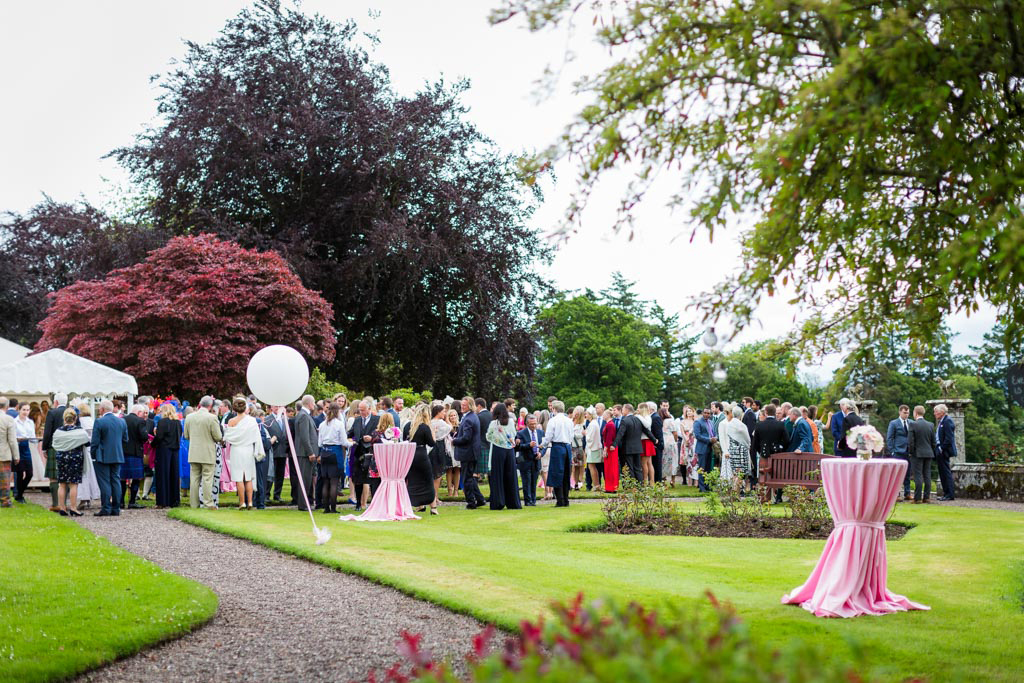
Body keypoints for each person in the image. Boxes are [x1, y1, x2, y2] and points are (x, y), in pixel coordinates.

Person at [223, 398, 264, 510]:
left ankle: (242, 503)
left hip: (237, 450)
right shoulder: (252, 421)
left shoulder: (231, 422)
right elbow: (257, 437)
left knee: (239, 478)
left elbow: (228, 437)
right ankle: (250, 502)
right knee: (249, 477)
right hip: (248, 450)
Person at [185, 396, 223, 509]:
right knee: (207, 478)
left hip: (194, 452)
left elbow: (186, 435)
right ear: (210, 406)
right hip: (207, 452)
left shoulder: (189, 417)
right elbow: (218, 436)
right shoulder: (212, 418)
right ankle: (208, 503)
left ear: (200, 404)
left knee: (194, 479)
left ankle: (194, 504)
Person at [91, 399, 128, 516]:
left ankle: (106, 507)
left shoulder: (99, 422)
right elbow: (125, 439)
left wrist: (93, 455)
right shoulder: (122, 422)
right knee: (115, 480)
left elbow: (95, 441)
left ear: (102, 409)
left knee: (105, 482)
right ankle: (116, 508)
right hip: (117, 454)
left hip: (102, 455)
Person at [52, 408, 90, 516]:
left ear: (64, 418)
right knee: (73, 484)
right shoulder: (80, 431)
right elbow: (87, 443)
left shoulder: (58, 431)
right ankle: (73, 508)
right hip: (75, 458)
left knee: (62, 484)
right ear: (75, 418)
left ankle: (62, 508)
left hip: (61, 457)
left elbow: (54, 444)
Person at [484, 403, 521, 510]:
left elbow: (488, 436)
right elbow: (514, 434)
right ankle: (513, 502)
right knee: (511, 476)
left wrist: (496, 439)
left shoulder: (493, 423)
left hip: (498, 449)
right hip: (509, 450)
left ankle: (498, 502)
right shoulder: (510, 422)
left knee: (498, 476)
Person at [317, 400, 350, 514]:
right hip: (335, 452)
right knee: (334, 481)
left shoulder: (322, 424)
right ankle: (333, 508)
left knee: (326, 481)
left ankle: (326, 508)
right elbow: (344, 442)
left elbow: (319, 443)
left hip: (324, 452)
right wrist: (352, 443)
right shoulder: (339, 424)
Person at [452, 396, 486, 509]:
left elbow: (466, 438)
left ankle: (471, 502)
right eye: (462, 405)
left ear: (470, 406)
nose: (462, 407)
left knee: (466, 478)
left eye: (464, 405)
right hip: (472, 451)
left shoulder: (468, 419)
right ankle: (480, 499)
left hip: (468, 452)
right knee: (470, 477)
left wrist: (454, 441)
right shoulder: (472, 416)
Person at [750, 404, 788, 502]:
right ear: (775, 413)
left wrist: (761, 450)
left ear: (766, 412)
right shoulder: (780, 424)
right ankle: (776, 497)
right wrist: (780, 448)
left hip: (764, 455)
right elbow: (787, 441)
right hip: (777, 455)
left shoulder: (759, 425)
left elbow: (755, 444)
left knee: (763, 476)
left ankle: (764, 498)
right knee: (777, 476)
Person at [41, 392, 71, 511]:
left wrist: (44, 447)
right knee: (66, 476)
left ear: (56, 402)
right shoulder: (71, 412)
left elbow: (47, 432)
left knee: (54, 477)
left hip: (54, 447)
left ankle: (55, 504)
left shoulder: (52, 412)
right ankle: (64, 503)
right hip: (69, 447)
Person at [541, 400, 574, 507]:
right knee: (566, 474)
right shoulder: (569, 421)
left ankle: (560, 500)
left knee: (557, 473)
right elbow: (571, 436)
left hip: (557, 447)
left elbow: (549, 436)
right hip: (567, 446)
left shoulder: (553, 420)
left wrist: (543, 445)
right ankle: (566, 499)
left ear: (554, 409)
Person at [613, 403, 656, 484]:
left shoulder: (625, 420)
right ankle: (639, 485)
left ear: (626, 410)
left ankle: (631, 486)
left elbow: (620, 434)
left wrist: (614, 444)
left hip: (628, 448)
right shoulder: (638, 419)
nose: (622, 411)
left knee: (629, 468)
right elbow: (646, 431)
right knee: (637, 468)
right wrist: (654, 439)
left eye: (623, 410)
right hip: (638, 447)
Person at [348, 400, 379, 510]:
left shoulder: (376, 420)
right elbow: (351, 433)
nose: (361, 412)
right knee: (358, 479)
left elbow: (381, 434)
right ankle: (358, 504)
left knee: (372, 479)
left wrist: (372, 438)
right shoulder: (357, 420)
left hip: (371, 453)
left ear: (369, 409)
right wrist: (348, 438)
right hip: (358, 453)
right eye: (360, 410)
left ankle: (374, 503)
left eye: (363, 410)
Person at [152, 402, 183, 508]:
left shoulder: (162, 422)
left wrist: (153, 443)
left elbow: (159, 437)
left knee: (162, 475)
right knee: (174, 474)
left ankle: (162, 501)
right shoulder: (178, 423)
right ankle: (174, 500)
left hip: (164, 450)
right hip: (175, 450)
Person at [292, 395, 318, 511]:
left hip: (305, 452)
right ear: (309, 403)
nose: (315, 405)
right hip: (304, 453)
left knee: (307, 478)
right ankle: (303, 505)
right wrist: (310, 452)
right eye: (314, 402)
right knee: (304, 479)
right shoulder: (303, 416)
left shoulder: (304, 415)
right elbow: (304, 437)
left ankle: (306, 503)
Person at [122, 404, 150, 509]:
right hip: (135, 452)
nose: (144, 415)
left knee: (122, 478)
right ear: (138, 412)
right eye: (143, 413)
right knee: (136, 478)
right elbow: (144, 436)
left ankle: (121, 502)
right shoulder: (140, 421)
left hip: (123, 452)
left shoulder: (122, 419)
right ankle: (132, 502)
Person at [515, 414, 544, 505]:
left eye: (535, 424)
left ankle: (533, 500)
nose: (534, 426)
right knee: (526, 481)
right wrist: (529, 445)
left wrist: (541, 453)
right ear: (527, 424)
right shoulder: (521, 433)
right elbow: (518, 447)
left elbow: (544, 446)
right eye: (531, 424)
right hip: (525, 460)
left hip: (536, 460)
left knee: (533, 481)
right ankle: (528, 501)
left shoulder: (540, 433)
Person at [908, 405, 935, 503]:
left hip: (917, 453)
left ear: (915, 413)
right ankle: (926, 497)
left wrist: (911, 452)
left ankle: (917, 498)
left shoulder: (913, 424)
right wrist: (931, 450)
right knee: (927, 475)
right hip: (929, 453)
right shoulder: (930, 425)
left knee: (918, 476)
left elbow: (910, 441)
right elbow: (933, 441)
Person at [886, 405, 913, 501]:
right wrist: (892, 451)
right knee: (896, 474)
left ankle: (907, 493)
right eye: (904, 413)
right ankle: (896, 494)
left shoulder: (911, 423)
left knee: (908, 473)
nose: (906, 415)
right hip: (897, 451)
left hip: (908, 452)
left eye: (908, 413)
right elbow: (889, 438)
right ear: (900, 412)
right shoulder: (894, 423)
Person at [13, 403, 36, 503]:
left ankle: (19, 493)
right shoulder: (14, 422)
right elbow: (12, 437)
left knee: (29, 473)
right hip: (17, 447)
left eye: (27, 410)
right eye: (24, 410)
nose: (26, 412)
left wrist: (38, 440)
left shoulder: (30, 422)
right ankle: (20, 496)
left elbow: (32, 437)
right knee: (19, 473)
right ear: (19, 410)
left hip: (26, 448)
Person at [725, 405, 752, 492]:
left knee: (735, 472)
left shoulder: (729, 425)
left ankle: (735, 492)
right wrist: (748, 445)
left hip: (733, 449)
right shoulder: (741, 425)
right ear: (741, 414)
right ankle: (736, 492)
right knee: (740, 472)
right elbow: (747, 439)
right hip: (741, 451)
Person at [934, 404, 957, 501]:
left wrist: (941, 448)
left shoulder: (947, 421)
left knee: (946, 472)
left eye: (936, 411)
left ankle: (949, 494)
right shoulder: (942, 421)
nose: (935, 414)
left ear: (942, 412)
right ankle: (946, 493)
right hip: (940, 450)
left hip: (944, 451)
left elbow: (949, 438)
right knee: (942, 472)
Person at [692, 407, 717, 492]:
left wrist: (715, 438)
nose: (706, 414)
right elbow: (698, 436)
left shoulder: (711, 422)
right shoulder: (698, 422)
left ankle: (707, 485)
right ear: (702, 413)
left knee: (708, 468)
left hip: (710, 447)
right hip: (702, 447)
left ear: (710, 414)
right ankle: (701, 487)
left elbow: (713, 433)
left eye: (708, 413)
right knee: (702, 468)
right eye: (705, 413)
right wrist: (709, 440)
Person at [0, 397, 19, 506]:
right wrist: (16, 456)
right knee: (4, 480)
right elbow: (12, 440)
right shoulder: (8, 419)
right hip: (3, 453)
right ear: (7, 406)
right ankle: (5, 500)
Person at [636, 402, 656, 486]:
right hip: (643, 441)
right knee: (647, 463)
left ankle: (647, 481)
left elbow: (647, 425)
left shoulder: (647, 417)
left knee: (645, 463)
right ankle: (650, 482)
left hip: (646, 441)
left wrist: (639, 416)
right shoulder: (644, 417)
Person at [584, 407, 604, 492]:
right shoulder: (594, 423)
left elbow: (590, 438)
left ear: (591, 415)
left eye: (587, 414)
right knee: (592, 466)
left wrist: (585, 433)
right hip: (594, 447)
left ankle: (596, 485)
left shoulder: (592, 424)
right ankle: (597, 484)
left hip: (593, 448)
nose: (586, 415)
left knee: (592, 466)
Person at [599, 409, 619, 493]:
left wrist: (605, 449)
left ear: (608, 415)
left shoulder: (610, 425)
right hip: (609, 447)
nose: (603, 416)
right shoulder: (609, 424)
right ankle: (610, 486)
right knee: (609, 468)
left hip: (610, 448)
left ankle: (612, 487)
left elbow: (609, 438)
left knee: (611, 467)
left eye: (604, 414)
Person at [475, 398, 492, 478]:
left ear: (479, 406)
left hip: (481, 445)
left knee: (477, 472)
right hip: (490, 444)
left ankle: (474, 489)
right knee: (490, 471)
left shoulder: (478, 416)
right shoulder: (492, 415)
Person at [570, 406, 586, 491]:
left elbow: (581, 435)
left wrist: (573, 434)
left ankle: (576, 483)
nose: (575, 414)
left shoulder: (582, 424)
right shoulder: (570, 422)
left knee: (577, 466)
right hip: (570, 446)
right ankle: (570, 483)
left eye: (577, 413)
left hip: (578, 447)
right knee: (570, 466)